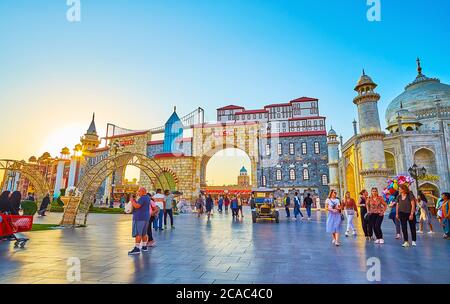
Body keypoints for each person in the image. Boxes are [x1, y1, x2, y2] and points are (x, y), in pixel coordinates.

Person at [128, 187, 151, 255]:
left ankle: (137, 248)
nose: (138, 193)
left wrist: (132, 200)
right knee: (144, 233)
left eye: (139, 191)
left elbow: (137, 206)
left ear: (142, 191)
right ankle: (144, 246)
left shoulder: (142, 198)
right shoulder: (147, 197)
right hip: (146, 217)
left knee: (138, 233)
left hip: (139, 218)